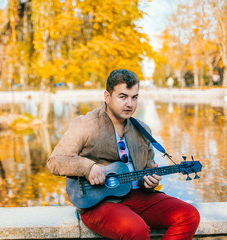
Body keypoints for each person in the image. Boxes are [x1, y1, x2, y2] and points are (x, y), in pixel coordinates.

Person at [47, 69, 200, 240]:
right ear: (107, 96)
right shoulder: (85, 124)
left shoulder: (143, 130)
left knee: (189, 215)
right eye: (123, 97)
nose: (130, 104)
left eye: (134, 97)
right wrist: (87, 168)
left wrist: (149, 182)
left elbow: (147, 170)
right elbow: (55, 161)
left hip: (139, 197)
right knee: (136, 230)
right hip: (99, 203)